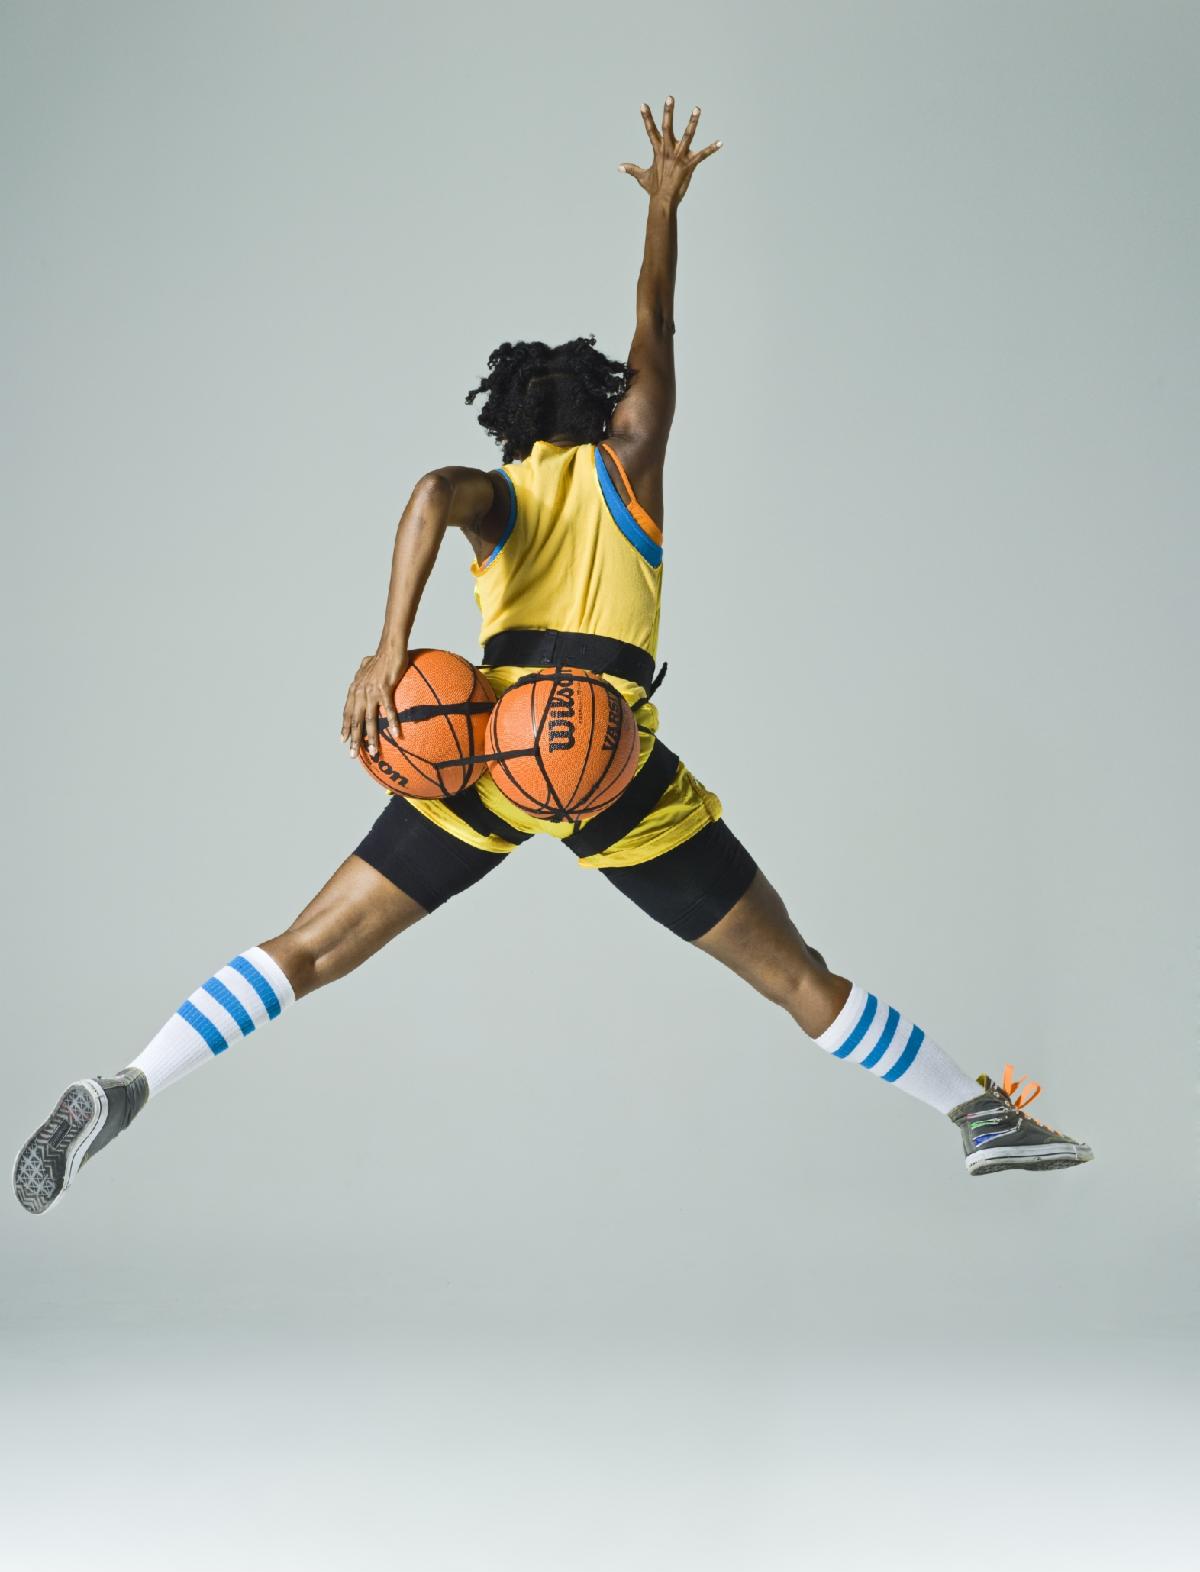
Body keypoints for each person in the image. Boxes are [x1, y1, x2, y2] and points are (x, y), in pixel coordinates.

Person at [13, 98, 1092, 1218]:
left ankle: (134, 1080)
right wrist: (665, 206)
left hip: (481, 746)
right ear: (606, 406)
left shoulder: (497, 499)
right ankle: (977, 1114)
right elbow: (655, 320)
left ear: (511, 426)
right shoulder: (630, 465)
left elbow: (428, 493)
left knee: (313, 948)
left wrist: (389, 652)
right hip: (600, 756)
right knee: (794, 974)